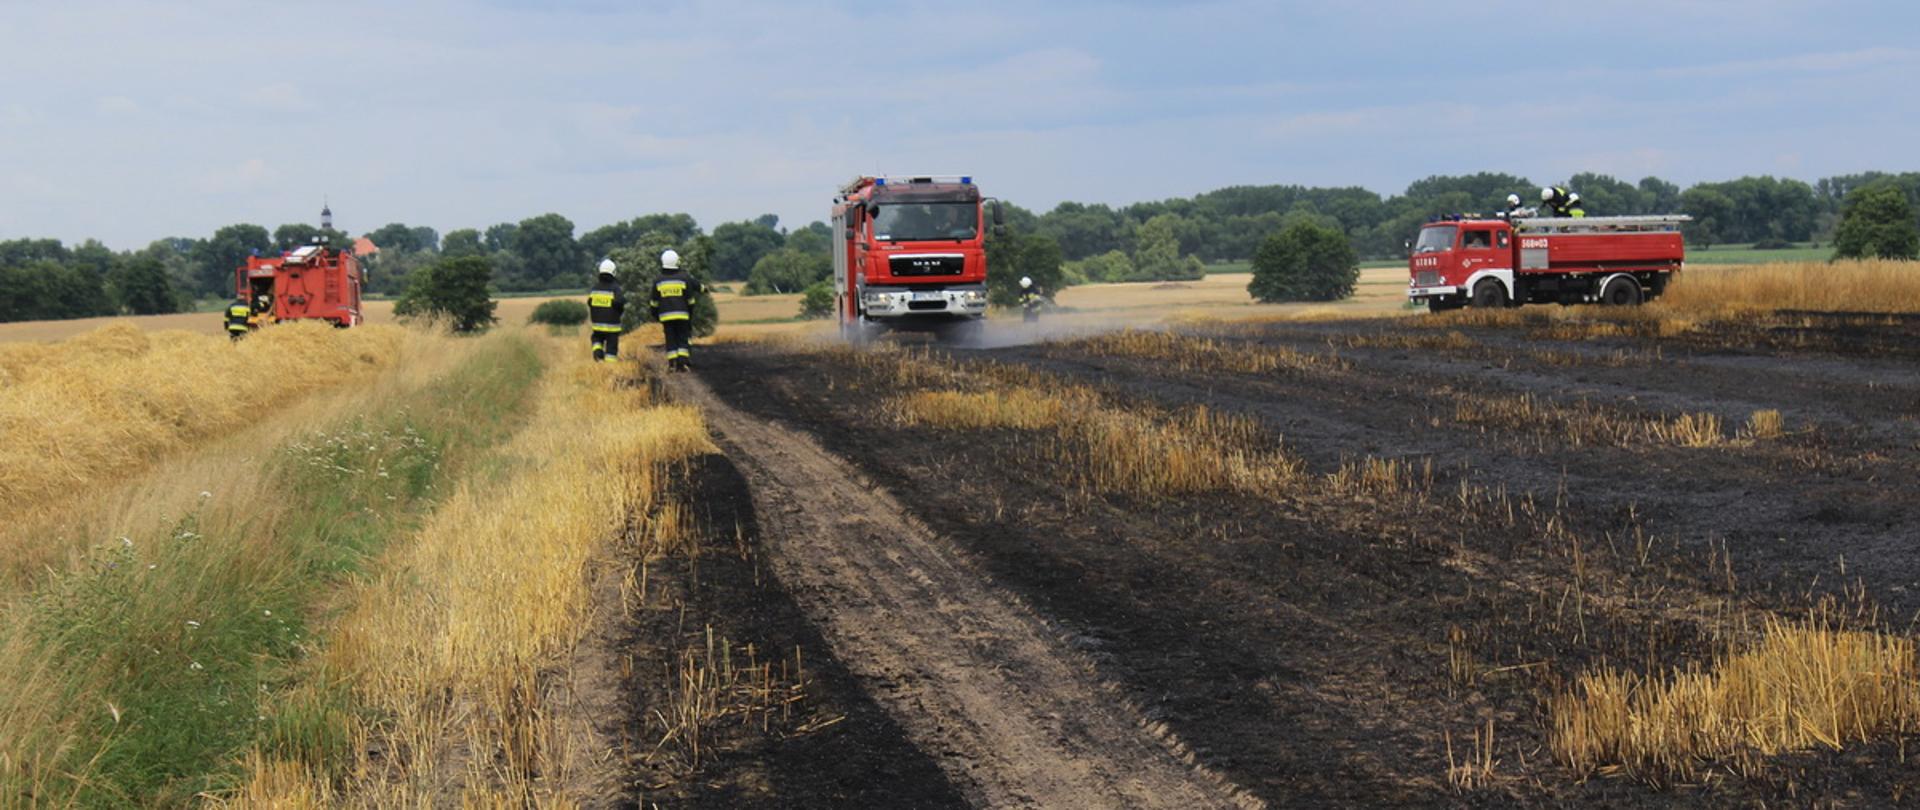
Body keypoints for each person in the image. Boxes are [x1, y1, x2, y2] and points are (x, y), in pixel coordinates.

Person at [650, 249, 703, 371]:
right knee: (683, 338)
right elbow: (690, 299)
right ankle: (682, 363)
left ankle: (672, 363)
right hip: (683, 315)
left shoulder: (658, 280)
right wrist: (690, 312)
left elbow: (654, 301)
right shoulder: (684, 278)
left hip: (666, 317)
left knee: (670, 338)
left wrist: (655, 314)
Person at [587, 258, 626, 362]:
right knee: (611, 350)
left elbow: (590, 303)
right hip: (612, 328)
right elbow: (620, 303)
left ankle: (597, 351)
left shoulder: (595, 289)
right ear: (613, 272)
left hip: (597, 326)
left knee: (596, 338)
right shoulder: (615, 288)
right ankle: (609, 367)